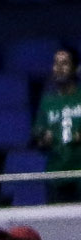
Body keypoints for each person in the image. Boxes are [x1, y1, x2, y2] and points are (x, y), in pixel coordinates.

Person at [35, 44, 80, 204]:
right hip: (56, 176)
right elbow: (38, 138)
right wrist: (43, 140)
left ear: (76, 68)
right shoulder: (48, 101)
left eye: (65, 63)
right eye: (56, 63)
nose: (59, 68)